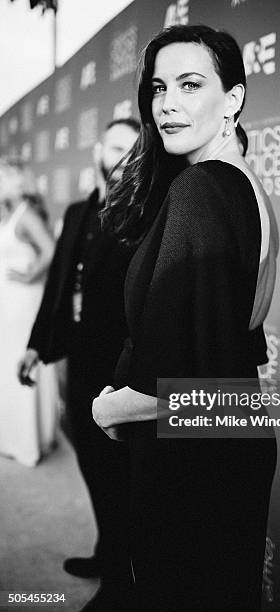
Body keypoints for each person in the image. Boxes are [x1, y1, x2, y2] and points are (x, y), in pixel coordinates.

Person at [92, 25, 279, 611]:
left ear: (233, 99)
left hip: (196, 466)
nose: (167, 103)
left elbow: (208, 380)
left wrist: (120, 405)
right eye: (158, 88)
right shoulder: (242, 183)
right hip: (228, 450)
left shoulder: (202, 189)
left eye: (190, 85)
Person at [17, 119, 140, 602]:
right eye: (115, 146)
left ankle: (119, 582)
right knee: (91, 463)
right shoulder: (74, 213)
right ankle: (107, 550)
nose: (123, 157)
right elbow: (57, 286)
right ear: (97, 151)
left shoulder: (138, 217)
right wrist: (35, 345)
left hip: (121, 366)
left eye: (132, 150)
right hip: (81, 360)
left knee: (118, 472)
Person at [0, 158, 58, 467]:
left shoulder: (26, 214)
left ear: (16, 181)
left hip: (24, 302)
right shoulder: (9, 214)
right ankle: (12, 436)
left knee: (24, 361)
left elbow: (51, 249)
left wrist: (29, 275)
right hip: (9, 303)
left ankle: (29, 441)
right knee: (8, 363)